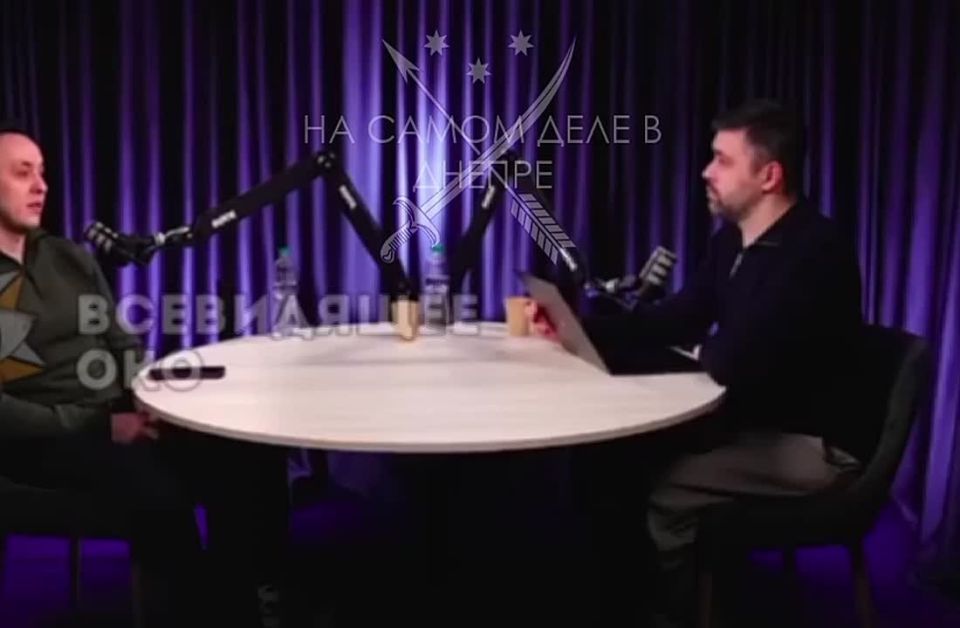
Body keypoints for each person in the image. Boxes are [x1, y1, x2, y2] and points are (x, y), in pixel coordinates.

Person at [526, 99, 865, 626]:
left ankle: (674, 611)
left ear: (769, 176)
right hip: (754, 416)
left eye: (723, 160)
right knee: (608, 459)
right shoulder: (732, 241)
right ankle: (612, 592)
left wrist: (707, 350)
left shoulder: (814, 252)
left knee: (661, 488)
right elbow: (678, 320)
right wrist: (575, 326)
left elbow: (734, 360)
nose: (706, 172)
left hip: (810, 443)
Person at [0, 121, 289, 627]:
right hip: (40, 441)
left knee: (249, 451)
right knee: (159, 491)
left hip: (118, 414)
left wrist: (148, 402)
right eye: (23, 173)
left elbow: (119, 341)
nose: (41, 186)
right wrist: (100, 426)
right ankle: (202, 613)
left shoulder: (67, 256)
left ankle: (247, 597)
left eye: (42, 172)